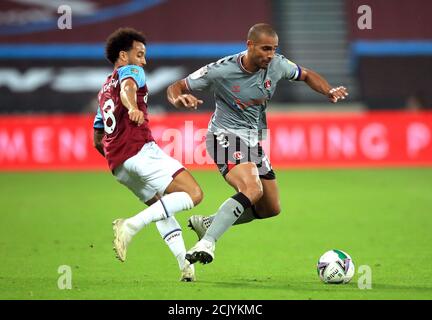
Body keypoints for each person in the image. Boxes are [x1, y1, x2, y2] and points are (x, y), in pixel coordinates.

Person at [166, 23, 349, 265]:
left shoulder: (278, 65)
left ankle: (209, 222)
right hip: (224, 136)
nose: (270, 55)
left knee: (270, 208)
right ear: (249, 45)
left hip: (253, 141)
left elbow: (306, 74)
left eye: (273, 49)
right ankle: (207, 242)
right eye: (265, 49)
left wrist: (328, 91)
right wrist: (179, 99)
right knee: (252, 189)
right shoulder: (221, 70)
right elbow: (176, 86)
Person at [93, 27, 204, 281]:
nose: (144, 61)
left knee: (161, 207)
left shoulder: (102, 92)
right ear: (124, 55)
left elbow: (97, 139)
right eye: (140, 54)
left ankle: (185, 265)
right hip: (140, 150)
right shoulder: (130, 71)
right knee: (194, 194)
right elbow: (128, 87)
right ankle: (130, 225)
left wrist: (119, 160)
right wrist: (132, 107)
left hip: (119, 166)